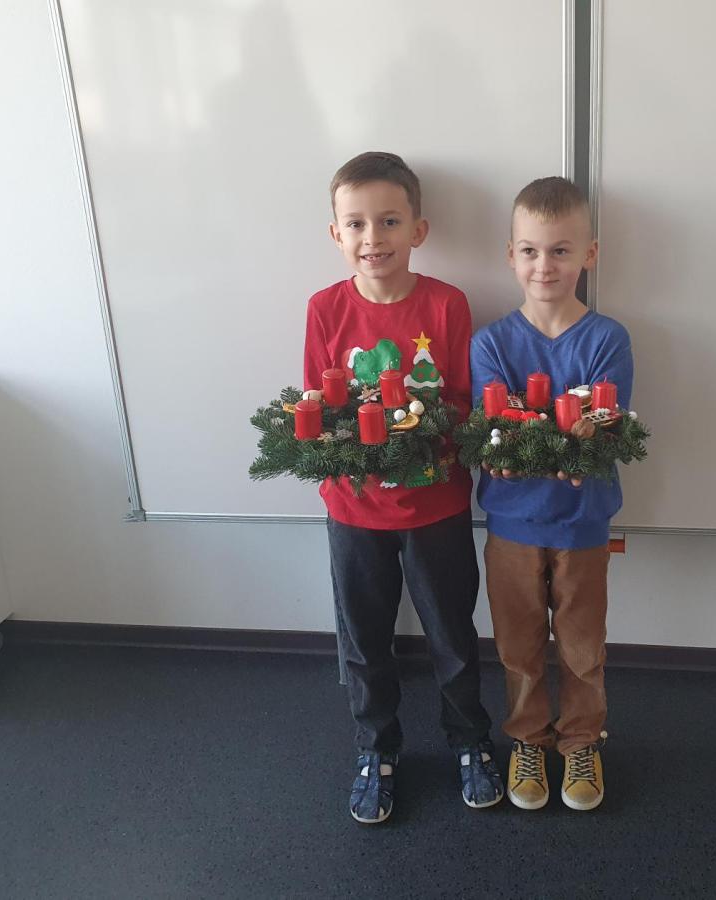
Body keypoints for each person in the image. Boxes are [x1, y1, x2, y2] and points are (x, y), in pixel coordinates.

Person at [303, 151, 503, 824]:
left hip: (436, 505)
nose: (373, 237)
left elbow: (462, 400)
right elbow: (318, 406)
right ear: (337, 234)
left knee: (452, 633)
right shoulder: (325, 309)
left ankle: (469, 741)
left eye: (389, 221)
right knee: (364, 640)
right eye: (356, 224)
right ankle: (376, 749)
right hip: (354, 509)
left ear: (418, 230)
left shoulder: (446, 304)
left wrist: (423, 431)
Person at [471, 176, 633, 811]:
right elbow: (494, 433)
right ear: (510, 255)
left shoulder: (607, 339)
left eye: (561, 251)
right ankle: (528, 740)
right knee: (517, 646)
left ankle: (583, 740)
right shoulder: (491, 343)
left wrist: (553, 440)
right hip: (511, 522)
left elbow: (604, 429)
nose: (545, 266)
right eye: (531, 251)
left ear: (588, 254)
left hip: (583, 522)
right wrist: (534, 444)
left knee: (582, 645)